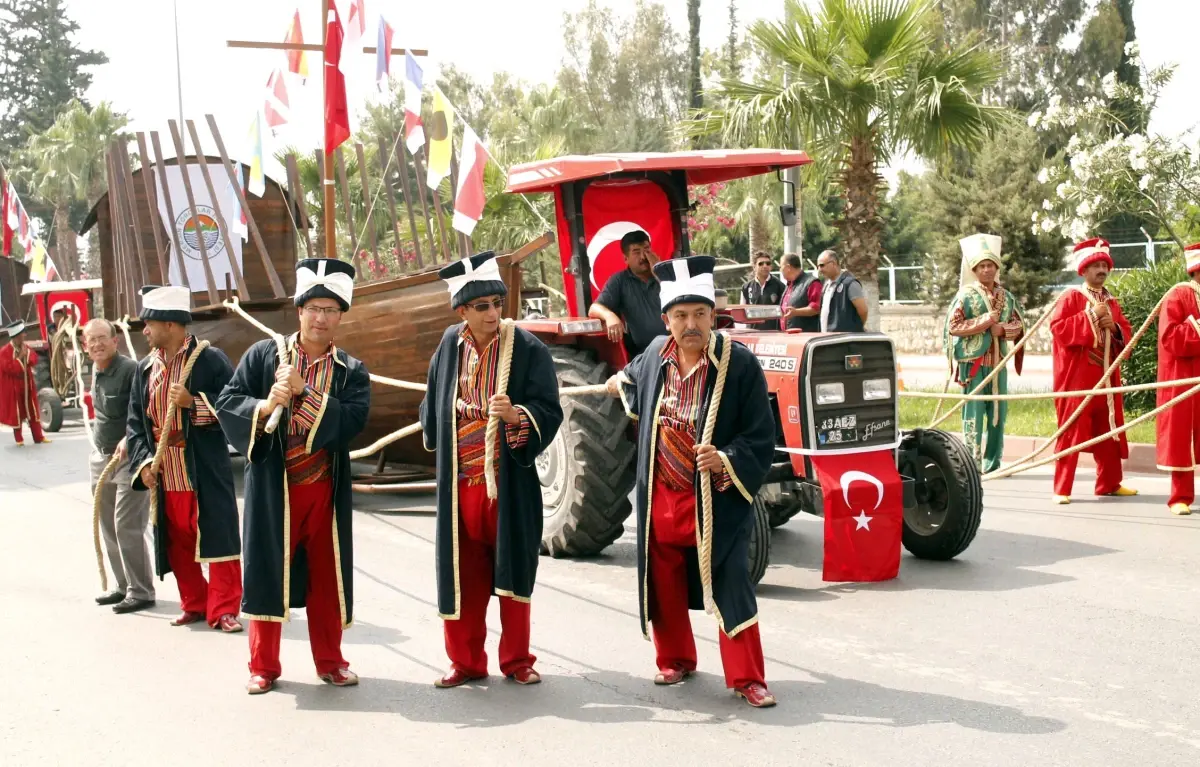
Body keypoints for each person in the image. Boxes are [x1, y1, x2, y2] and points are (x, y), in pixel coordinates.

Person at [606, 255, 777, 708]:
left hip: (714, 499)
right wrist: (617, 382)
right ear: (666, 320)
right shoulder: (653, 359)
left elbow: (761, 434)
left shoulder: (738, 366)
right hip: (661, 493)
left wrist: (724, 458)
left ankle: (747, 677)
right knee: (662, 576)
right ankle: (675, 658)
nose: (691, 325)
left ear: (714, 315)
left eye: (700, 314)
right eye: (680, 316)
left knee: (731, 578)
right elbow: (631, 386)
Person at [216, 258, 371, 694]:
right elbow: (228, 401)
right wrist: (264, 406)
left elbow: (354, 422)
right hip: (273, 489)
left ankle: (331, 662)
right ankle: (262, 666)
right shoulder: (264, 356)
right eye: (313, 308)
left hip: (324, 488)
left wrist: (306, 394)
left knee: (327, 578)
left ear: (341, 316)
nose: (321, 318)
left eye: (331, 310)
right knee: (267, 571)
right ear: (299, 310)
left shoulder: (351, 371)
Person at [421, 251, 563, 689]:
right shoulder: (448, 345)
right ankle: (465, 662)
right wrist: (444, 420)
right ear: (461, 310)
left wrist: (519, 416)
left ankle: (518, 660)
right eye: (481, 306)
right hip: (460, 484)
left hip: (507, 485)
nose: (492, 313)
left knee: (514, 572)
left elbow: (549, 409)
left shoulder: (527, 347)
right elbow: (431, 402)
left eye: (497, 304)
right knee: (463, 575)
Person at [126, 285, 244, 631]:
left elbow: (237, 408)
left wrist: (195, 403)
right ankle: (194, 603)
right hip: (167, 471)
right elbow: (135, 422)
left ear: (171, 325)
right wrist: (145, 462)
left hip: (203, 467)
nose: (145, 331)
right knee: (178, 539)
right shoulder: (145, 369)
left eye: (149, 323)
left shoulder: (210, 360)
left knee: (217, 534)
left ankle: (223, 609)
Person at [1050, 238, 1138, 504]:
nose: (1101, 270)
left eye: (1104, 265)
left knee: (1109, 428)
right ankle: (1062, 488)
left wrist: (1114, 328)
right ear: (1084, 270)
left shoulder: (1112, 301)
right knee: (1072, 429)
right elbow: (1059, 330)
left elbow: (1126, 332)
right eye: (1095, 265)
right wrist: (1090, 317)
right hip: (1079, 377)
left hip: (1106, 374)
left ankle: (1109, 483)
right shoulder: (1071, 297)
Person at [85, 318, 155, 613]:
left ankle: (141, 591)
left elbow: (145, 411)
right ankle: (122, 583)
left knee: (126, 524)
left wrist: (129, 438)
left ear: (116, 341)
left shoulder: (130, 370)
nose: (97, 344)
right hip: (101, 457)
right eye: (91, 340)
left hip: (129, 458)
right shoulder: (96, 369)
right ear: (86, 347)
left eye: (103, 338)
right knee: (108, 526)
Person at [943, 234, 1025, 473]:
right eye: (982, 266)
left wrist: (1003, 330)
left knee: (998, 414)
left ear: (997, 268)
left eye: (991, 265)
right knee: (974, 413)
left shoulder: (1006, 297)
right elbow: (953, 326)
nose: (987, 270)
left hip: (999, 363)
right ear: (975, 270)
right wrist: (984, 321)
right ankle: (971, 462)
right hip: (974, 364)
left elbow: (1019, 326)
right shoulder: (965, 296)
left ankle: (993, 462)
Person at [1154, 243, 1200, 515]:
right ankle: (1180, 496)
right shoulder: (1177, 295)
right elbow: (1170, 338)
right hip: (1184, 378)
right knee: (1182, 436)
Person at [588, 228, 666, 356]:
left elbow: (680, 296)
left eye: (647, 250)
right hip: (644, 353)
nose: (643, 257)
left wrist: (660, 272)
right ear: (626, 258)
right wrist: (609, 316)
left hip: (678, 345)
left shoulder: (666, 274)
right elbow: (594, 308)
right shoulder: (619, 280)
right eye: (636, 252)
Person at [0, 321, 49, 446]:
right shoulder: (4, 352)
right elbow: (9, 368)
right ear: (16, 336)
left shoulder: (25, 347)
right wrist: (19, 358)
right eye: (22, 334)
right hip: (14, 387)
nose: (24, 336)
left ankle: (39, 437)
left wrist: (26, 357)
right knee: (17, 412)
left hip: (28, 384)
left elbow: (34, 358)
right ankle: (19, 439)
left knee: (32, 410)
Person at [816, 250, 868, 332]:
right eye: (818, 266)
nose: (819, 269)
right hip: (826, 339)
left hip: (844, 340)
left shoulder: (850, 284)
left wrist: (856, 328)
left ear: (833, 263)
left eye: (822, 265)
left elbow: (863, 311)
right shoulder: (826, 285)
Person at [740, 251, 785, 330]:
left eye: (768, 263)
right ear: (754, 267)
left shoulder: (780, 286)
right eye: (761, 264)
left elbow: (784, 310)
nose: (765, 266)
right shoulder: (746, 287)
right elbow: (742, 312)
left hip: (774, 333)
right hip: (752, 333)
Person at [779, 252, 822, 332]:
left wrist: (796, 312)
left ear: (788, 267)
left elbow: (816, 308)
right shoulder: (789, 285)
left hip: (804, 338)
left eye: (781, 267)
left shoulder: (812, 283)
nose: (780, 270)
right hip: (788, 337)